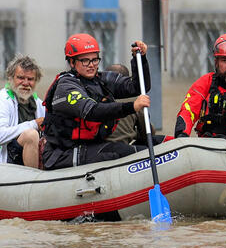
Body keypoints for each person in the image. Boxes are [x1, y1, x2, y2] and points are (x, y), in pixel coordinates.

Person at [41, 34, 158, 170]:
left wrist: (140, 59)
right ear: (72, 62)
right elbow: (92, 111)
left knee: (157, 143)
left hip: (90, 146)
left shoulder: (100, 79)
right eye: (85, 61)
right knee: (123, 152)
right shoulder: (65, 87)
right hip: (62, 153)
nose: (91, 65)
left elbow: (136, 87)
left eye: (95, 60)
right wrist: (132, 106)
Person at [0, 54, 45, 167]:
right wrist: (33, 124)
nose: (25, 83)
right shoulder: (3, 99)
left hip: (21, 152)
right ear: (10, 78)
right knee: (31, 135)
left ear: (36, 81)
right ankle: (34, 180)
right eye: (20, 78)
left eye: (30, 79)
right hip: (0, 160)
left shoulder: (38, 102)